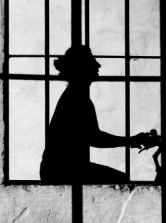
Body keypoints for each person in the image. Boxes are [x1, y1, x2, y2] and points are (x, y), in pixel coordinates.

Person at [40, 45, 154, 184]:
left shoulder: (74, 95)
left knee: (120, 180)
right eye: (92, 61)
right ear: (82, 67)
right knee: (120, 181)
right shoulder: (77, 98)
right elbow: (95, 138)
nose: (98, 65)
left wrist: (131, 140)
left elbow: (92, 136)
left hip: (58, 168)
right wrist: (131, 140)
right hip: (64, 170)